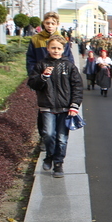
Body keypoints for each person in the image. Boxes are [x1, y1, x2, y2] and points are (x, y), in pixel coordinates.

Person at [26, 35, 83, 178]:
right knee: (49, 134)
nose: (56, 51)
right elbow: (32, 83)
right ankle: (49, 156)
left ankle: (58, 164)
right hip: (47, 106)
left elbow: (77, 86)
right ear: (48, 48)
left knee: (62, 138)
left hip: (65, 108)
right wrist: (42, 77)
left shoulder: (69, 66)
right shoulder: (41, 64)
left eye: (59, 48)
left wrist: (74, 105)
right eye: (53, 48)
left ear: (63, 49)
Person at [27, 11, 75, 77]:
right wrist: (33, 75)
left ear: (57, 24)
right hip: (41, 75)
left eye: (53, 23)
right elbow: (31, 59)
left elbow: (68, 59)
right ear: (44, 23)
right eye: (47, 23)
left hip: (59, 76)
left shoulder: (62, 40)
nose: (50, 26)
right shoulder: (36, 39)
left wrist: (69, 75)